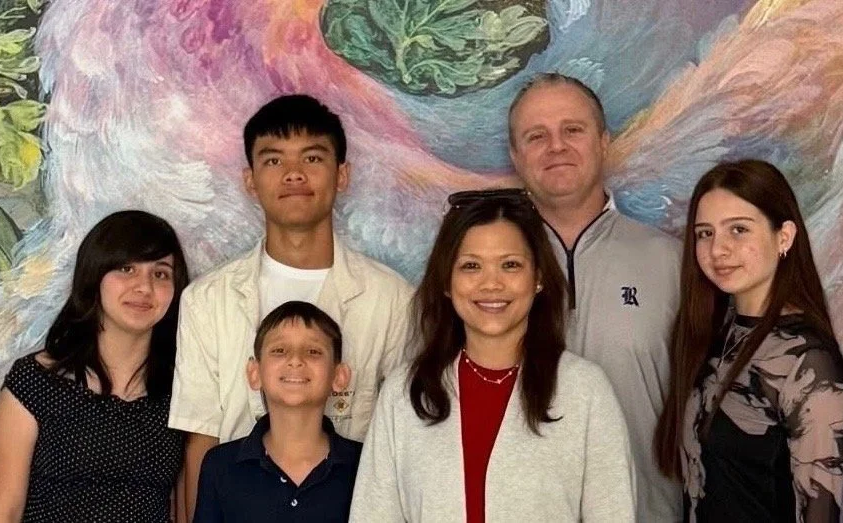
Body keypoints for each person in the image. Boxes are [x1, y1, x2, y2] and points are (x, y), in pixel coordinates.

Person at [169, 94, 414, 519]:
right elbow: (201, 439)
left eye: (313, 158)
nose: (294, 174)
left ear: (343, 175)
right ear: (250, 180)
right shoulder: (207, 299)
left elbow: (403, 437)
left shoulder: (391, 298)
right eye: (273, 161)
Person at [350, 189, 635, 522]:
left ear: (538, 277)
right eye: (471, 266)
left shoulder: (585, 390)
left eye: (510, 265)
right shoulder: (405, 393)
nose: (491, 284)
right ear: (446, 281)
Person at [507, 72, 682, 520]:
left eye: (573, 130)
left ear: (604, 141)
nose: (556, 146)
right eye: (536, 136)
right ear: (515, 156)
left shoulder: (672, 261)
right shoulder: (481, 271)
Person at [654, 160, 843, 522]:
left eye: (738, 230)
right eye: (704, 233)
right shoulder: (709, 334)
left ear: (784, 237)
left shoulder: (807, 359)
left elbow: (820, 510)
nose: (718, 250)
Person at [0, 210, 190, 522]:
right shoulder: (35, 382)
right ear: (94, 275)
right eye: (126, 268)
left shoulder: (183, 390)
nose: (144, 287)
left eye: (160, 274)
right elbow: (5, 511)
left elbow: (184, 508)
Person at [193, 301, 361, 522]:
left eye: (313, 351)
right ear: (255, 373)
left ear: (339, 376)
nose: (295, 360)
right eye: (279, 350)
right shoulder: (221, 465)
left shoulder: (364, 465)